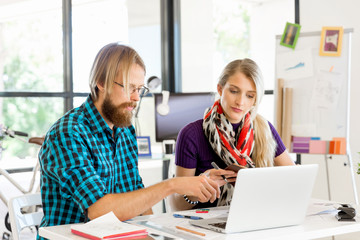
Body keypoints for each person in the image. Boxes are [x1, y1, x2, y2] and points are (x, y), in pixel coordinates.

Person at [38, 43, 220, 237]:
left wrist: (154, 235)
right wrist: (172, 185)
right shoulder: (68, 133)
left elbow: (137, 199)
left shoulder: (125, 131)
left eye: (140, 89)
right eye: (130, 88)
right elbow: (98, 210)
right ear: (101, 82)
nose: (136, 98)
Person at [169, 58, 295, 211]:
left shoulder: (264, 129)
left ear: (255, 100)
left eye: (250, 95)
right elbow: (177, 205)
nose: (240, 102)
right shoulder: (191, 134)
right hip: (206, 227)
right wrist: (199, 188)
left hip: (254, 218)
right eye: (234, 91)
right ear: (220, 89)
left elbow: (293, 179)